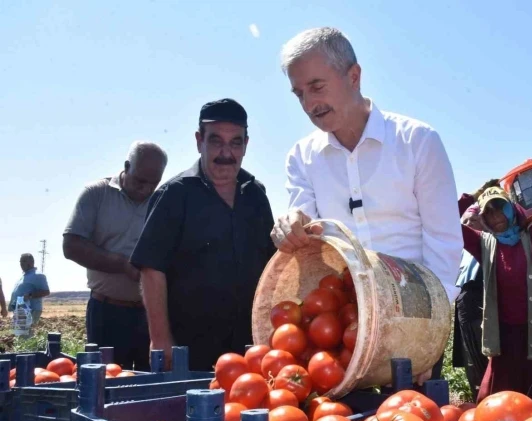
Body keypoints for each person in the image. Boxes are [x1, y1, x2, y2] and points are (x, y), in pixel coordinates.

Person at [272, 27, 463, 382]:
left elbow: (444, 243)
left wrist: (430, 334)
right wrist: (291, 225)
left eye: (317, 86)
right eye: (299, 93)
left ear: (354, 76)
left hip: (414, 322)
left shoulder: (417, 141)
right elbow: (310, 241)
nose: (309, 104)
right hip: (340, 330)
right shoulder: (301, 158)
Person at [130, 99, 276, 371]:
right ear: (199, 141)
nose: (226, 152)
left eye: (235, 142)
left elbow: (272, 269)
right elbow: (151, 270)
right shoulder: (174, 195)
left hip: (249, 349)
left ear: (246, 145)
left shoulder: (256, 195)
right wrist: (161, 340)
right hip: (188, 351)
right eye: (216, 141)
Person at [63, 141, 167, 370]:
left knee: (150, 390)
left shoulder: (163, 201)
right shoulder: (96, 194)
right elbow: (71, 245)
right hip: (107, 313)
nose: (147, 189)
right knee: (105, 386)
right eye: (140, 181)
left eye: (154, 183)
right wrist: (122, 265)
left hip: (150, 315)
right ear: (127, 166)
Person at [458, 182, 532, 402]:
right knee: (494, 401)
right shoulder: (484, 243)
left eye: (500, 207)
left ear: (511, 209)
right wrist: (471, 197)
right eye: (488, 212)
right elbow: (448, 222)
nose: (495, 216)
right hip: (503, 337)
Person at [451, 204, 488, 396]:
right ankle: (479, 397)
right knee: (470, 355)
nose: (468, 225)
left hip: (481, 294)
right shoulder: (460, 250)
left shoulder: (488, 242)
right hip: (464, 300)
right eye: (464, 222)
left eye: (473, 220)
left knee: (485, 352)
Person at [8, 254, 50, 327]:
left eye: (24, 261)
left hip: (31, 310)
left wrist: (30, 295)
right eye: (20, 261)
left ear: (32, 262)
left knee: (26, 333)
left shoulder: (38, 275)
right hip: (20, 309)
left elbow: (46, 291)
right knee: (20, 333)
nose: (21, 263)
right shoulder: (23, 276)